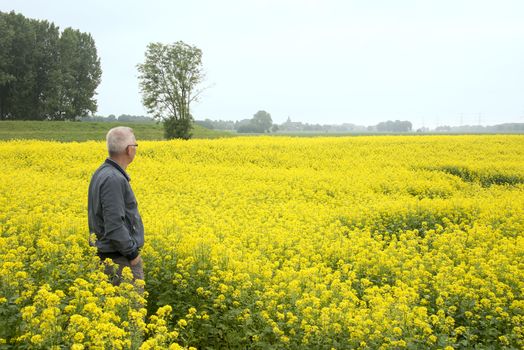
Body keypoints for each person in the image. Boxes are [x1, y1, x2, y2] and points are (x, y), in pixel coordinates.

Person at [88, 126, 144, 285]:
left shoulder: (102, 172)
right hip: (119, 260)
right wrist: (132, 254)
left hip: (110, 257)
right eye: (135, 145)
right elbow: (114, 225)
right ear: (129, 149)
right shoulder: (113, 179)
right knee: (130, 308)